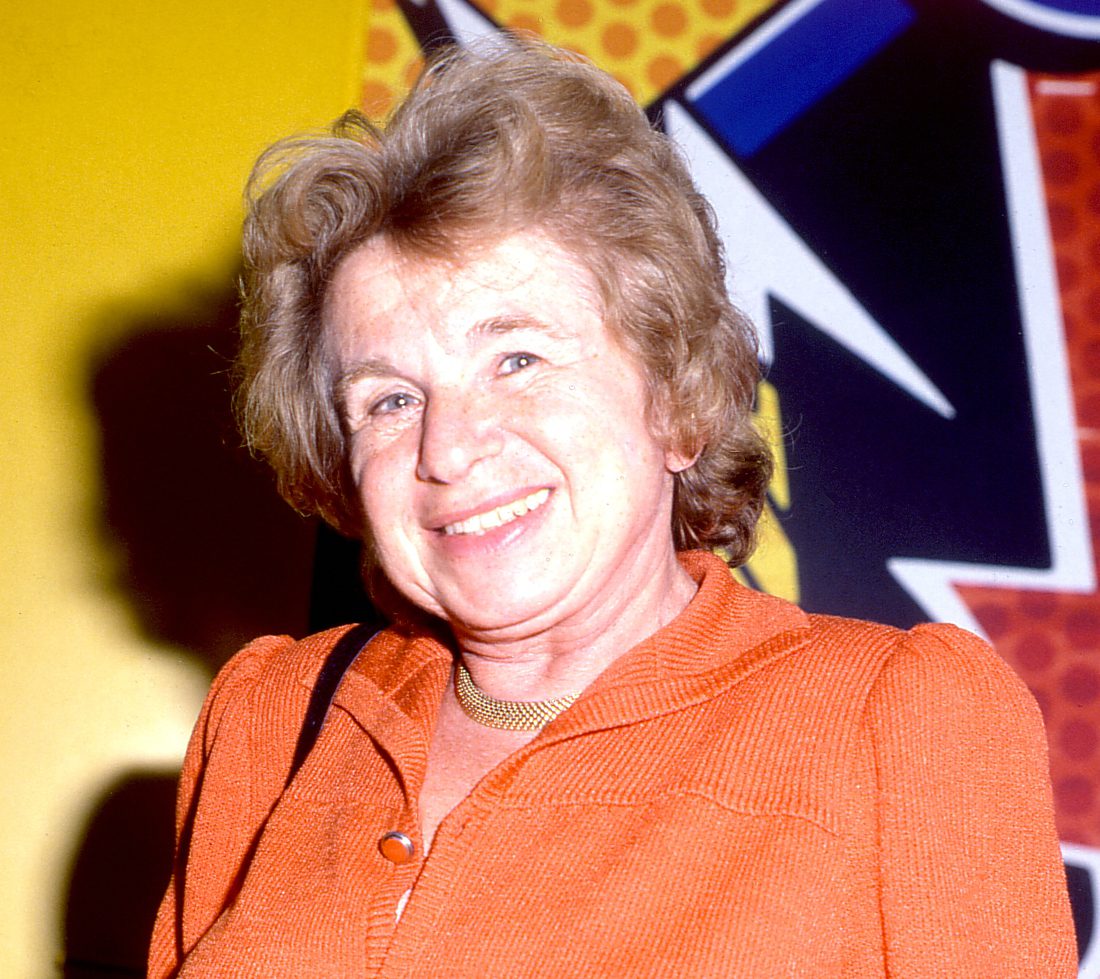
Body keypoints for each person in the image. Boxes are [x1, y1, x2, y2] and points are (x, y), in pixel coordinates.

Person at [149, 37, 1076, 977]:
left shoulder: (895, 721)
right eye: (389, 399)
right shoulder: (274, 718)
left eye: (517, 359)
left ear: (678, 403)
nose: (448, 448)